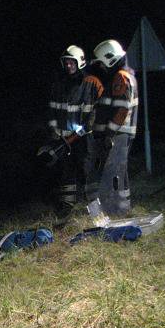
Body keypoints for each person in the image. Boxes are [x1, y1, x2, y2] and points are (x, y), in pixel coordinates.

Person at [45, 45, 101, 212]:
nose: (69, 66)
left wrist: (83, 131)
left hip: (83, 138)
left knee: (86, 170)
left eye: (72, 63)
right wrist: (54, 131)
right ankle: (67, 206)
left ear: (79, 63)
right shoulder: (58, 84)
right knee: (66, 173)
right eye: (66, 63)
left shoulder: (89, 83)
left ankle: (93, 205)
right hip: (63, 139)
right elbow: (52, 110)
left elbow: (93, 112)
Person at [87, 39, 138, 216]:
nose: (101, 67)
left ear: (110, 59)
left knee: (115, 171)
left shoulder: (120, 78)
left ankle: (118, 209)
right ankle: (120, 207)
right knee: (118, 171)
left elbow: (122, 109)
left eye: (101, 63)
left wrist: (109, 133)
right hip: (120, 134)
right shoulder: (124, 76)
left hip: (118, 135)